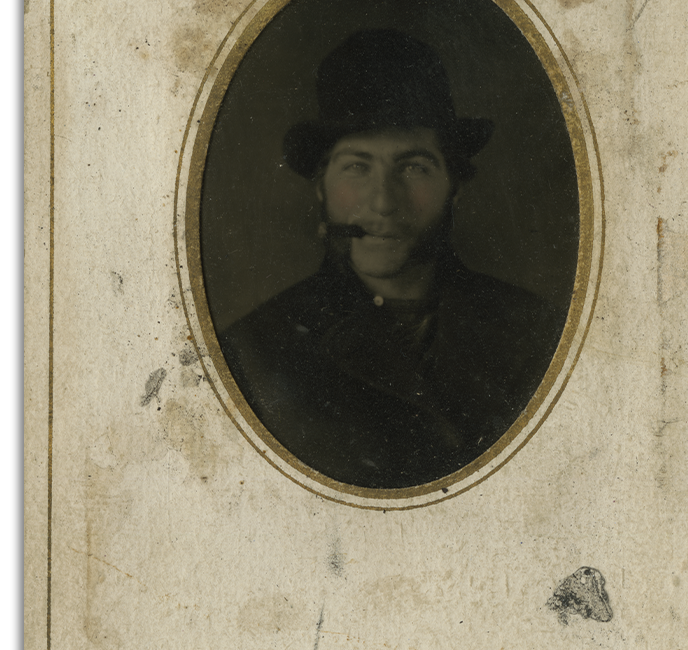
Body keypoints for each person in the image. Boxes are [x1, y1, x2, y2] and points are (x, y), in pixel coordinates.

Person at [220, 29, 565, 490]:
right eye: (357, 167)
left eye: (414, 167)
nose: (383, 202)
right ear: (321, 187)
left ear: (455, 186)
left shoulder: (537, 332)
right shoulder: (252, 353)